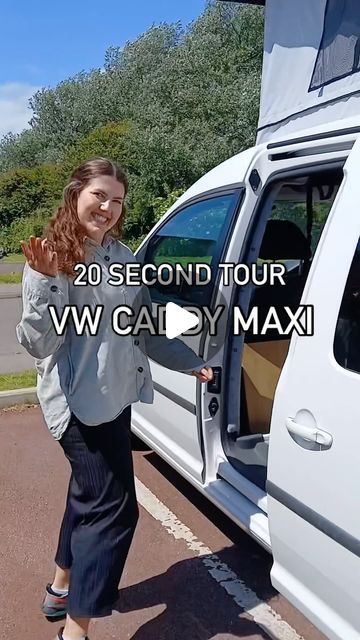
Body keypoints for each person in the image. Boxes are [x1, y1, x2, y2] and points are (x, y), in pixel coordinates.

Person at [16, 157, 213, 640]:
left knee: (90, 496)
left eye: (117, 200)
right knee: (115, 510)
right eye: (98, 195)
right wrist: (42, 282)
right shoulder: (53, 257)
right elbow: (39, 344)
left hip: (116, 398)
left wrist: (189, 361)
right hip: (78, 405)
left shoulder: (124, 259)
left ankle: (62, 589)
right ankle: (77, 631)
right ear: (76, 195)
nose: (107, 206)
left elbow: (142, 326)